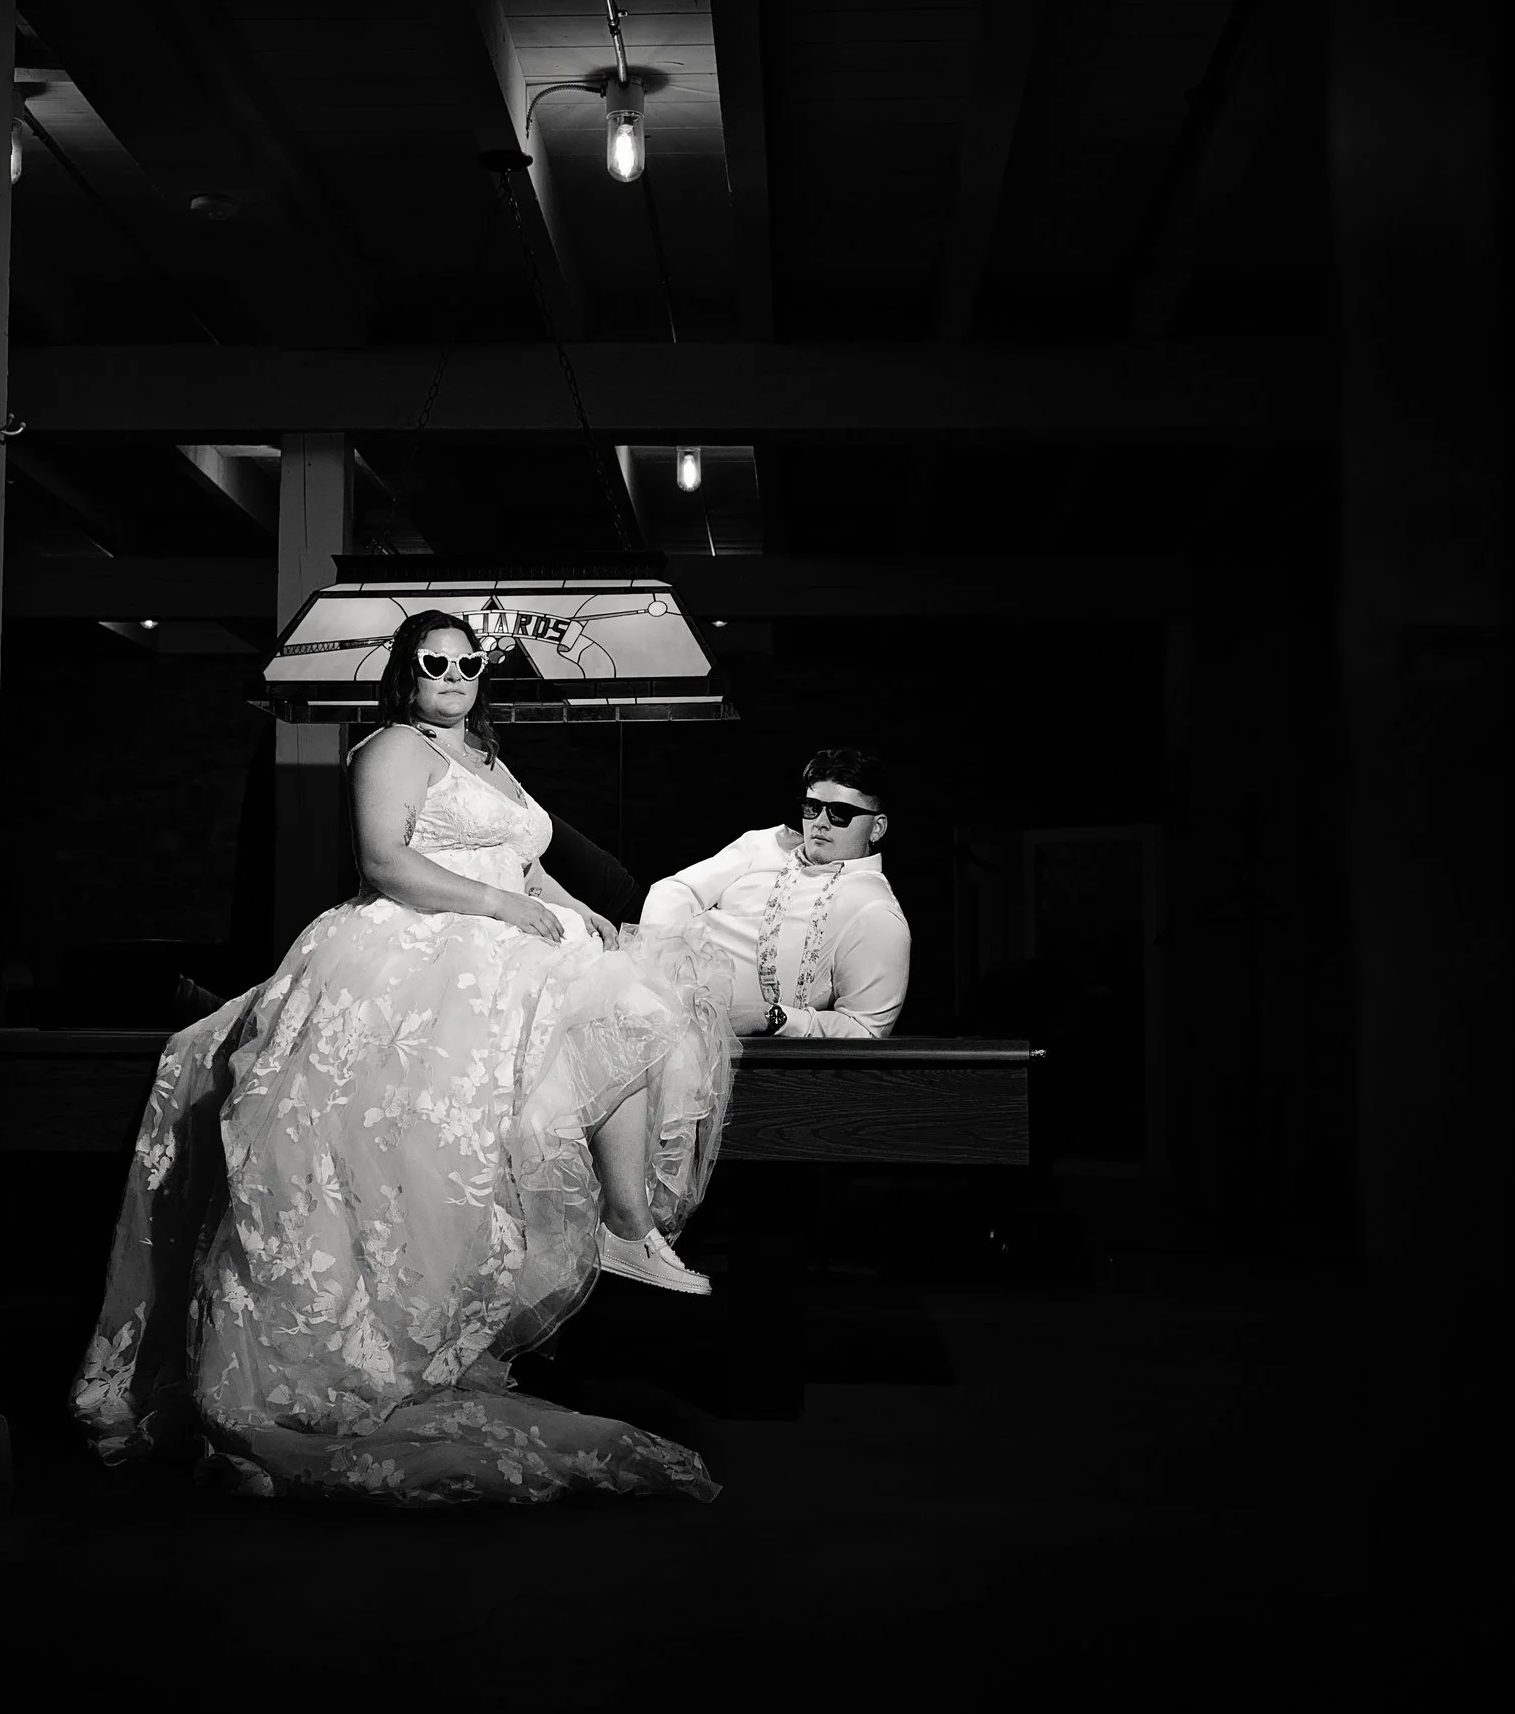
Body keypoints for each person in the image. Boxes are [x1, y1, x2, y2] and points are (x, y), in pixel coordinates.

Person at [71, 610, 738, 1505]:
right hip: (421, 941)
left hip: (504, 937)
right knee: (604, 1017)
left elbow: (528, 864)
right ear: (406, 672)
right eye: (436, 661)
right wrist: (503, 910)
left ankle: (626, 1224)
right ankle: (621, 1227)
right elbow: (385, 862)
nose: (454, 673)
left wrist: (579, 913)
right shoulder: (392, 747)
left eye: (469, 661)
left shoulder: (488, 760)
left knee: (637, 998)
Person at [639, 748, 911, 1039]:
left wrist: (773, 1018)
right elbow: (676, 890)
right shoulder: (767, 844)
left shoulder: (874, 912)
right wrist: (660, 965)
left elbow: (864, 1029)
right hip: (648, 977)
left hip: (712, 1045)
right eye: (812, 807)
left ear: (877, 827)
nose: (820, 821)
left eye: (840, 813)